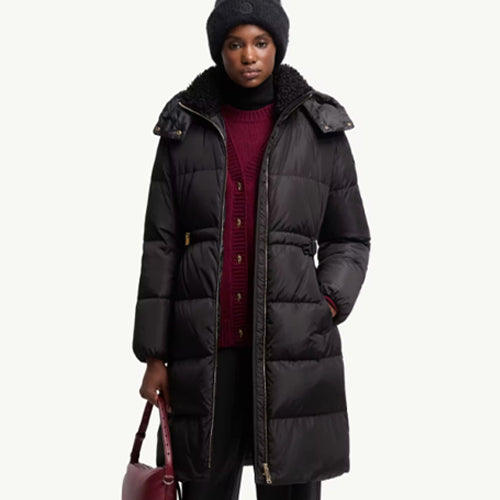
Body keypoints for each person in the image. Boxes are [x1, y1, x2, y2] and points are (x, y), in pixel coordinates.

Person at [132, 1, 371, 498]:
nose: (248, 56)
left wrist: (325, 303)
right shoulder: (183, 128)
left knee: (291, 487)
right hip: (204, 354)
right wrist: (154, 356)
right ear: (219, 49)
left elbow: (349, 238)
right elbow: (160, 247)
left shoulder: (319, 127)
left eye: (260, 43)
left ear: (277, 46)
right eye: (235, 44)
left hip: (293, 351)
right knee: (203, 487)